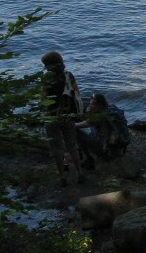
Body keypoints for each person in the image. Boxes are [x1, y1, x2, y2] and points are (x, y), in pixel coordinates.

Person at [40, 51, 85, 186]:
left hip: (52, 116)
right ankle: (79, 173)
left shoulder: (46, 78)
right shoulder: (68, 75)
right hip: (68, 115)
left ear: (48, 65)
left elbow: (43, 98)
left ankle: (63, 175)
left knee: (57, 149)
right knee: (71, 146)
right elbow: (77, 93)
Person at [75, 93, 130, 170]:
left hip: (104, 150)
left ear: (100, 105)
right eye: (90, 104)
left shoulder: (98, 117)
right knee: (94, 128)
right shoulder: (110, 109)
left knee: (75, 131)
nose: (90, 106)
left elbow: (76, 125)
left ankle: (89, 159)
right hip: (117, 147)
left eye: (93, 104)